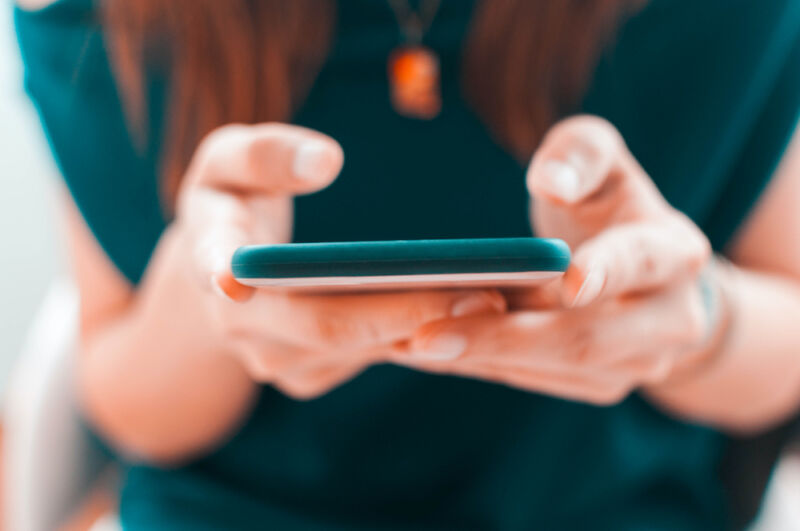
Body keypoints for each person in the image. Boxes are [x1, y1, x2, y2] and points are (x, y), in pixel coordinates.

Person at [14, 0, 800, 529]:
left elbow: (787, 333)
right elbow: (118, 391)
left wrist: (698, 322)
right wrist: (202, 302)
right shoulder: (111, 17)